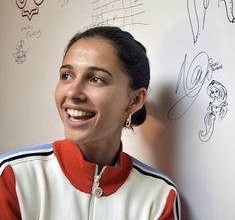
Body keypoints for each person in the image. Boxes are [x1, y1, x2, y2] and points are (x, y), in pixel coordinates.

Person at [0, 26, 180, 219]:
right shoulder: (13, 176)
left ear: (134, 100)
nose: (73, 92)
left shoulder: (160, 196)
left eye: (96, 79)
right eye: (67, 76)